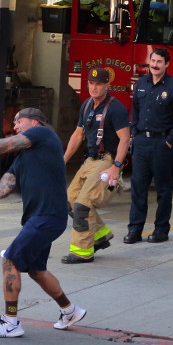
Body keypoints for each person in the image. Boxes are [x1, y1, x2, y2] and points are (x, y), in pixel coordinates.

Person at [0, 108, 87, 338]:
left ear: (34, 122)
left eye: (19, 121)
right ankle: (69, 310)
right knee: (36, 270)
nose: (14, 126)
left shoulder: (44, 134)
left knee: (10, 260)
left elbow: (3, 145)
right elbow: (0, 191)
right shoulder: (21, 161)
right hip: (39, 219)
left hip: (47, 216)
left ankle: (10, 322)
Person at [61, 67, 130, 264]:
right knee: (69, 201)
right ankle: (100, 237)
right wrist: (63, 160)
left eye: (98, 84)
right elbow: (78, 135)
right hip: (90, 160)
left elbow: (125, 139)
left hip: (107, 161)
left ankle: (82, 252)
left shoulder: (116, 109)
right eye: (91, 84)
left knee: (83, 204)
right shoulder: (86, 105)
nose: (93, 88)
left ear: (107, 85)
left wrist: (116, 166)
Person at [125, 48, 173, 244]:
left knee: (163, 189)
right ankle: (134, 230)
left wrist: (170, 140)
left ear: (166, 64)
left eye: (159, 62)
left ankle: (161, 230)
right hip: (141, 143)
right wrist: (134, 133)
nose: (155, 65)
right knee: (138, 188)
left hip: (162, 144)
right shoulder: (141, 84)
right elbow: (135, 111)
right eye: (153, 61)